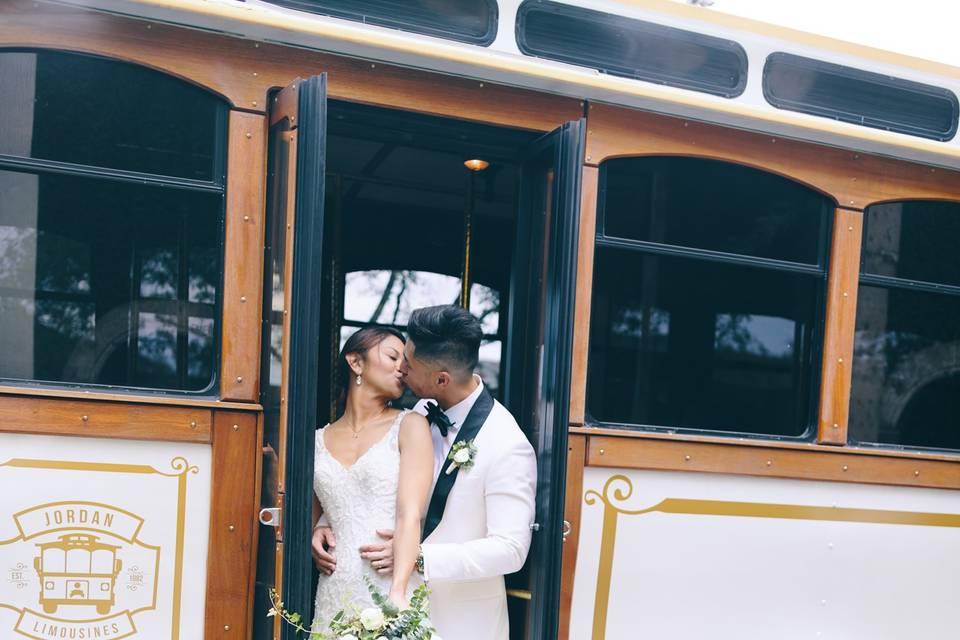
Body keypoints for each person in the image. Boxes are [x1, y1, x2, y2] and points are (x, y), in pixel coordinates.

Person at [317, 305, 538, 640]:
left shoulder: (507, 444)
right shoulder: (418, 412)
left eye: (408, 362)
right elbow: (371, 483)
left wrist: (419, 558)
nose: (401, 369)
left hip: (458, 619)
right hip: (378, 601)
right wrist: (326, 524)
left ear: (441, 379)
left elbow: (511, 549)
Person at [310, 326, 434, 632]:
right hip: (334, 588)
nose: (402, 367)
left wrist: (398, 593)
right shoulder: (316, 439)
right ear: (356, 363)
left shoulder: (411, 426)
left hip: (389, 580)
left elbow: (410, 513)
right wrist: (314, 532)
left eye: (405, 361)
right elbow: (311, 512)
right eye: (393, 356)